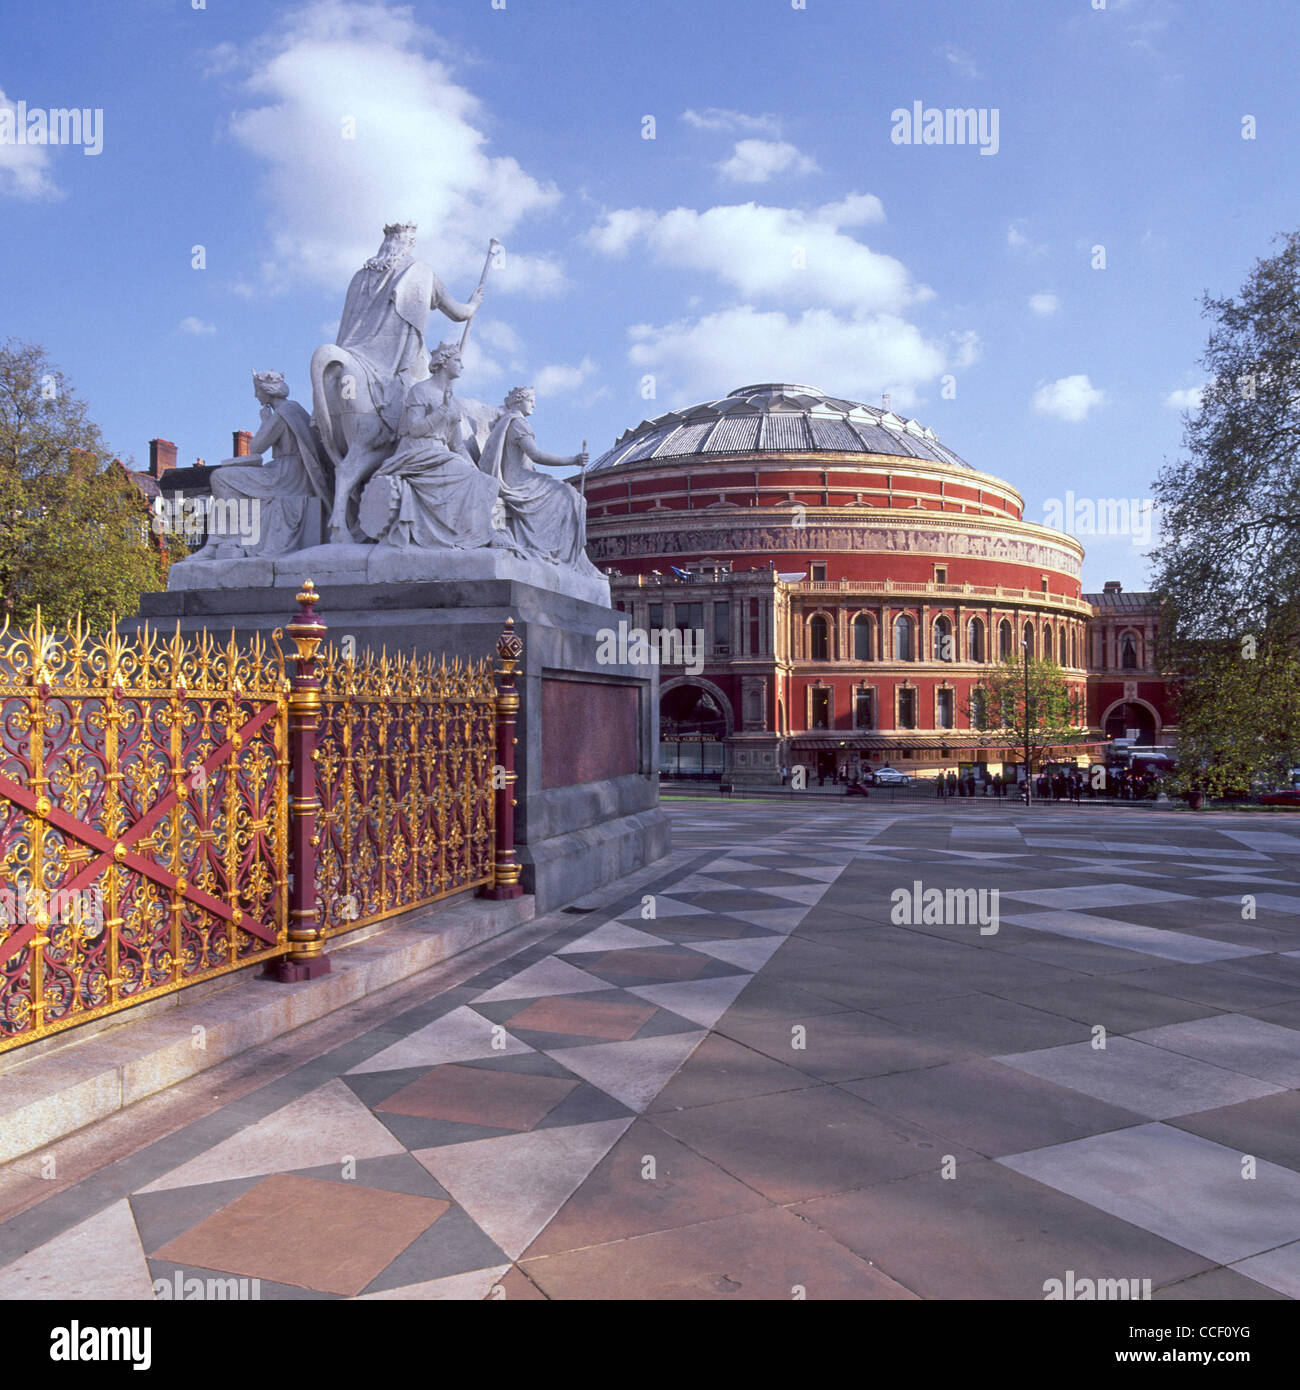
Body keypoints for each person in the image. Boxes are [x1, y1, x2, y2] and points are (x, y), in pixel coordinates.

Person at [363, 342, 501, 551]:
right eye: (457, 361)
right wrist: (441, 411)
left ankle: (483, 534)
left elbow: (456, 445)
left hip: (442, 453)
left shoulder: (453, 402)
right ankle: (466, 537)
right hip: (418, 452)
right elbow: (414, 428)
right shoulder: (420, 391)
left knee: (484, 481)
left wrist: (475, 469)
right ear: (443, 363)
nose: (461, 366)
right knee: (463, 475)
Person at [193, 371, 329, 559]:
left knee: (220, 477)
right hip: (291, 472)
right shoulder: (295, 409)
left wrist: (265, 421)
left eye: (257, 390)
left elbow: (257, 447)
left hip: (287, 476)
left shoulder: (283, 413)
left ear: (267, 391)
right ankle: (222, 540)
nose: (256, 395)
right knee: (227, 479)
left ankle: (228, 537)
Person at [478, 386, 602, 575]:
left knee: (571, 496)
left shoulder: (507, 422)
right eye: (531, 400)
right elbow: (536, 455)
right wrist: (573, 460)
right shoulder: (518, 423)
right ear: (519, 400)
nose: (534, 405)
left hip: (519, 477)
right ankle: (559, 554)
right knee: (570, 497)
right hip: (519, 481)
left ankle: (564, 554)